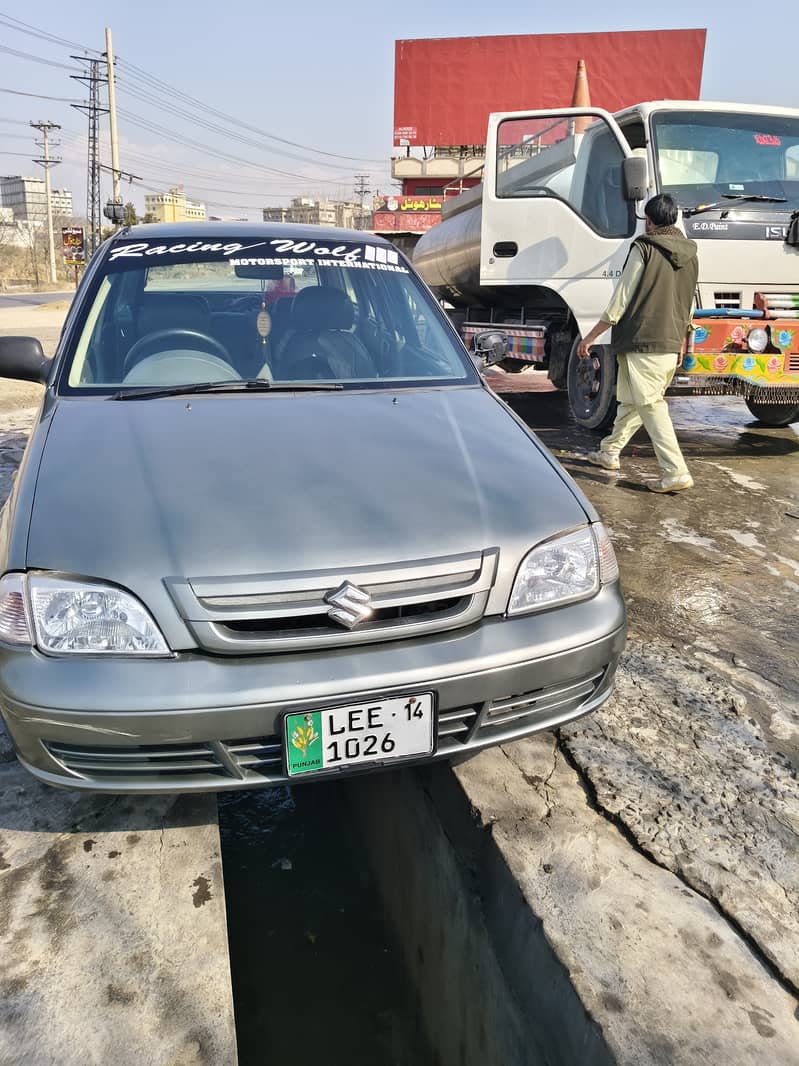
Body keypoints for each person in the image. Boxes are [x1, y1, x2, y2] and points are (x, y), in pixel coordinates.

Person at [578, 193, 698, 493]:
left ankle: (675, 471)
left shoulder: (644, 247)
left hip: (642, 339)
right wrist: (684, 340)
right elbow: (689, 303)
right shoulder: (692, 254)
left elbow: (621, 299)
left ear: (650, 220)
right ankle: (609, 452)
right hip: (670, 341)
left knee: (651, 404)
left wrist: (591, 337)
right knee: (632, 401)